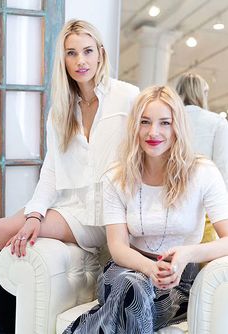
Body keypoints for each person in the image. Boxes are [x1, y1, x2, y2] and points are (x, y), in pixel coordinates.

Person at [0, 19, 139, 333]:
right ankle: (5, 325)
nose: (80, 61)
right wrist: (34, 213)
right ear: (63, 60)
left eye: (87, 51)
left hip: (101, 213)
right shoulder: (61, 109)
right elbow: (51, 172)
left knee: (0, 232)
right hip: (65, 201)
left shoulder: (127, 97)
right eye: (71, 53)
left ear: (100, 53)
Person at [63, 85, 228, 333]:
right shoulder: (117, 177)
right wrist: (149, 268)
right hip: (124, 270)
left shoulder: (203, 172)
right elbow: (118, 247)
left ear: (177, 127)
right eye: (145, 122)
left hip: (178, 281)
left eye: (165, 123)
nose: (154, 132)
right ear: (135, 126)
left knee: (132, 297)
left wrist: (187, 254)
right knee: (133, 286)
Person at [176, 72, 228, 244]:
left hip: (170, 198)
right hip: (204, 203)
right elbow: (222, 167)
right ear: (202, 93)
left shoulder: (169, 119)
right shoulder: (217, 122)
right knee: (204, 260)